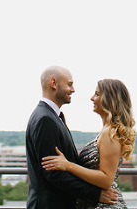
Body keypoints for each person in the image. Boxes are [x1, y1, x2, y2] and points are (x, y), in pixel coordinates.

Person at [26, 66, 119, 209]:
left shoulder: (52, 116)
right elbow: (53, 173)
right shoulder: (45, 119)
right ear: (53, 83)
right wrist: (95, 194)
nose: (73, 90)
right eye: (69, 84)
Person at [42, 78, 136, 209]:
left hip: (105, 205)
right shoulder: (106, 131)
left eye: (97, 94)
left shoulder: (110, 134)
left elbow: (106, 179)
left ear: (109, 99)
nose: (92, 98)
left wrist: (68, 166)